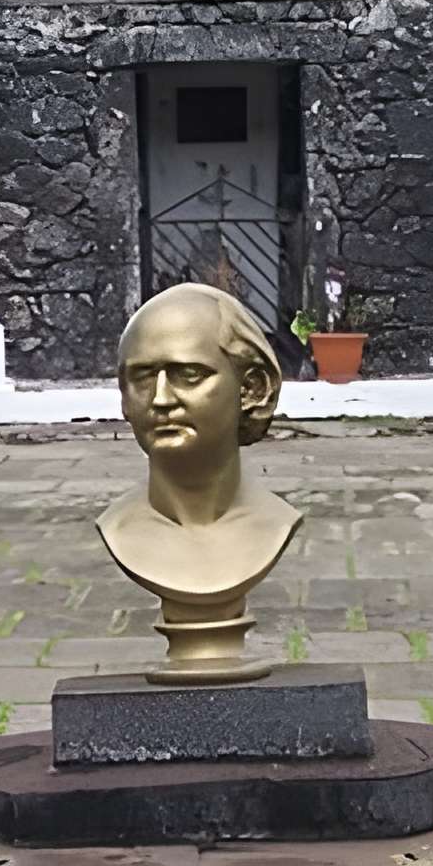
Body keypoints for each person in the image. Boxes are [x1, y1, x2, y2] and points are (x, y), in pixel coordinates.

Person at [98, 283, 299, 681]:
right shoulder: (118, 530)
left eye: (188, 375)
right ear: (123, 396)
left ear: (251, 389)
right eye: (141, 378)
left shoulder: (276, 524)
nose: (160, 399)